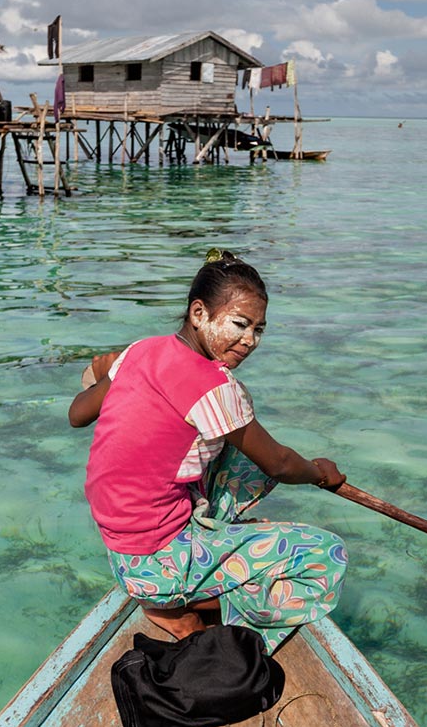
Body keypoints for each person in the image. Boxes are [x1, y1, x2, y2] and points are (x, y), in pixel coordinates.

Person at [69, 251, 346, 654]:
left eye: (259, 330)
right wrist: (321, 472)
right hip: (155, 567)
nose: (249, 340)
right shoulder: (215, 387)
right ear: (198, 313)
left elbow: (78, 414)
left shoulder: (140, 351)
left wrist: (104, 374)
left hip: (120, 549)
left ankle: (194, 562)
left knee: (237, 451)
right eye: (239, 324)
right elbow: (280, 463)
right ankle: (185, 603)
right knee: (328, 556)